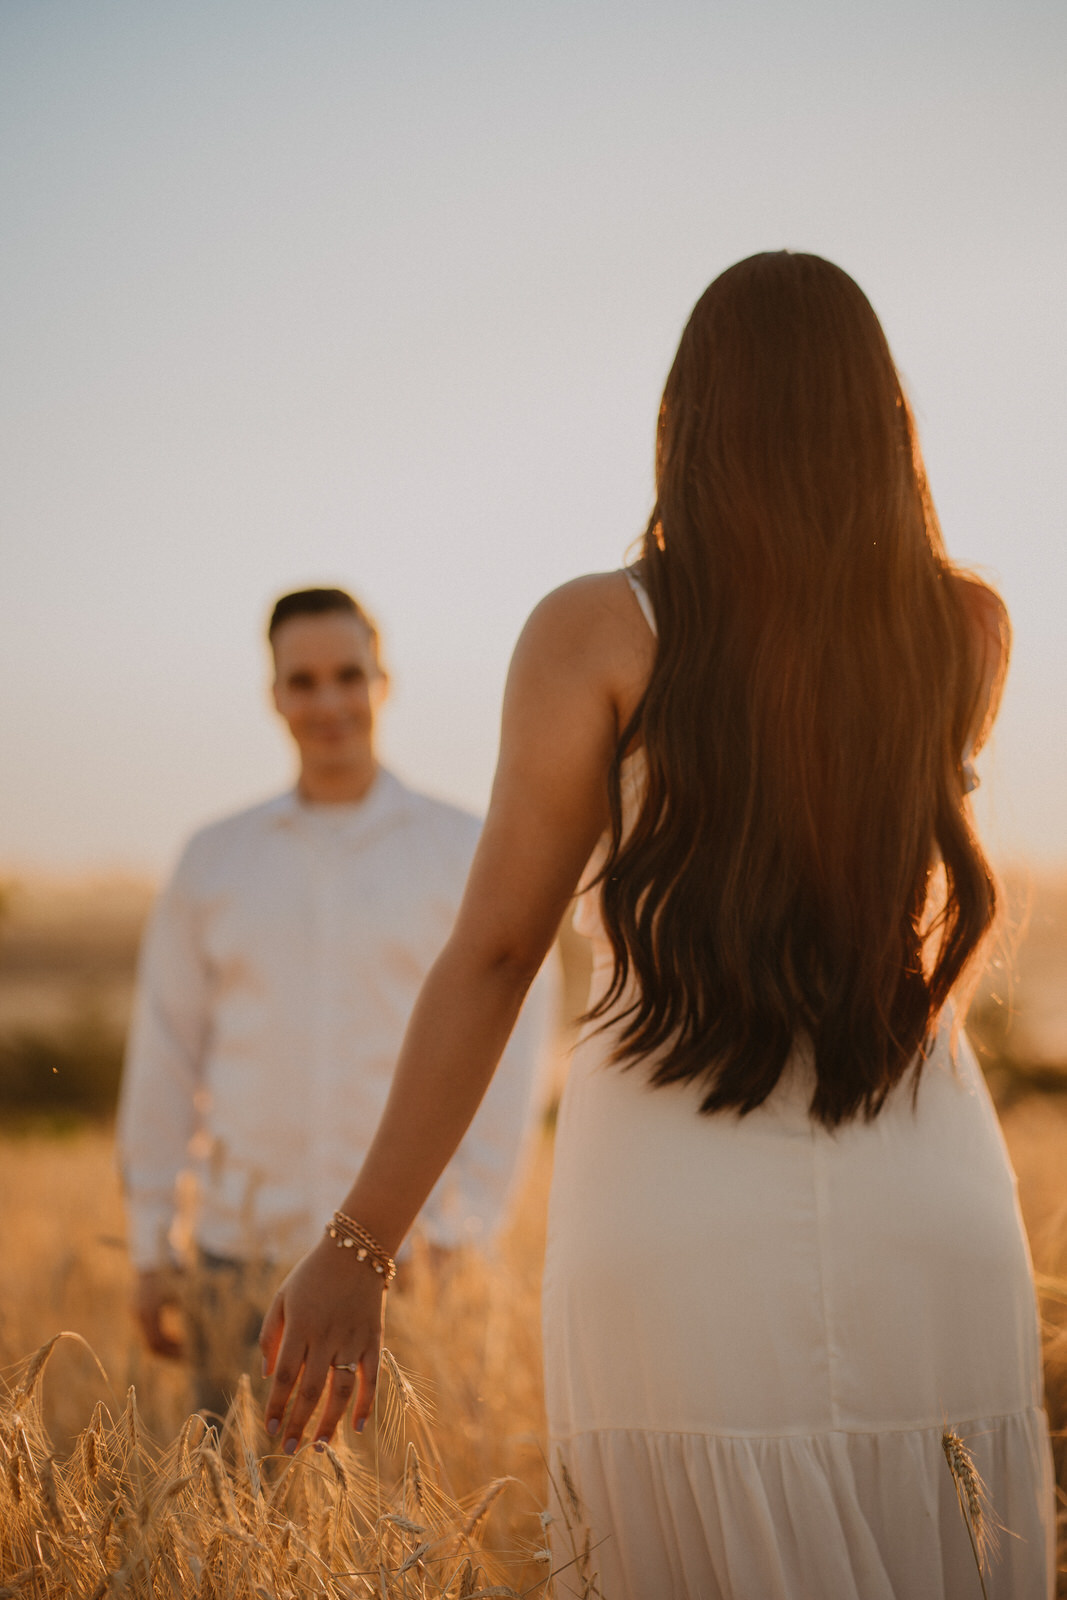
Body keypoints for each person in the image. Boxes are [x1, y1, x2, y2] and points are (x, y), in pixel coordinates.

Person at [259, 258, 1055, 1598]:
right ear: (882, 415)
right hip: (923, 1173)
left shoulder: (595, 628)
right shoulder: (965, 626)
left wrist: (358, 1244)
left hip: (673, 1191)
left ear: (688, 419)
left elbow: (497, 952)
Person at [117, 586, 551, 1416]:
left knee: (404, 1498)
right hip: (237, 1260)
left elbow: (515, 1052)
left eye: (348, 675)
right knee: (234, 1493)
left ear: (383, 682)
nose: (328, 703)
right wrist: (148, 1244)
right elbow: (165, 1055)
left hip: (409, 1260)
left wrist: (458, 1232)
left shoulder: (465, 849)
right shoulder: (214, 859)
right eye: (303, 681)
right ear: (274, 695)